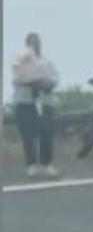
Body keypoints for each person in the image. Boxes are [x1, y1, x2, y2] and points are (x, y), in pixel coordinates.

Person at [11, 33, 60, 178]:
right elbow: (16, 78)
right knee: (28, 135)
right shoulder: (19, 60)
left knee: (46, 132)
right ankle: (31, 166)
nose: (34, 45)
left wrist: (45, 83)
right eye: (31, 43)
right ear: (27, 45)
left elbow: (55, 78)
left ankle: (47, 165)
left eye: (37, 42)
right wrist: (28, 81)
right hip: (25, 102)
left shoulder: (46, 62)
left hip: (44, 102)